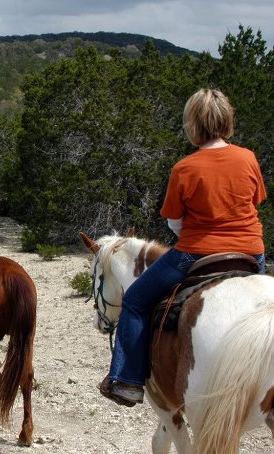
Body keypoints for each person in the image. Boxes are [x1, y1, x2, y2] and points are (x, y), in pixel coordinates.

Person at [98, 88, 267, 407]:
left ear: (194, 124)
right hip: (251, 252)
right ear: (227, 120)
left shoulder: (186, 168)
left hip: (196, 252)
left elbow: (174, 222)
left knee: (135, 300)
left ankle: (128, 381)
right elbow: (255, 202)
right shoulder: (248, 158)